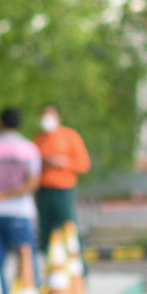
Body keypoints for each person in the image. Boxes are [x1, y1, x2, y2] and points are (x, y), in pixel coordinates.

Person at [0, 107, 41, 294]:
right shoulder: (28, 149)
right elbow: (32, 183)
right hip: (20, 212)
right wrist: (5, 195)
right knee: (27, 262)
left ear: (0, 122)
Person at [33, 103, 91, 252]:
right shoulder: (38, 139)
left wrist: (63, 163)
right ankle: (48, 263)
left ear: (59, 117)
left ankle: (77, 265)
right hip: (43, 189)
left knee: (68, 227)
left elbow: (83, 164)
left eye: (50, 115)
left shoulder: (69, 136)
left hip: (63, 189)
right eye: (44, 115)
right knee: (45, 228)